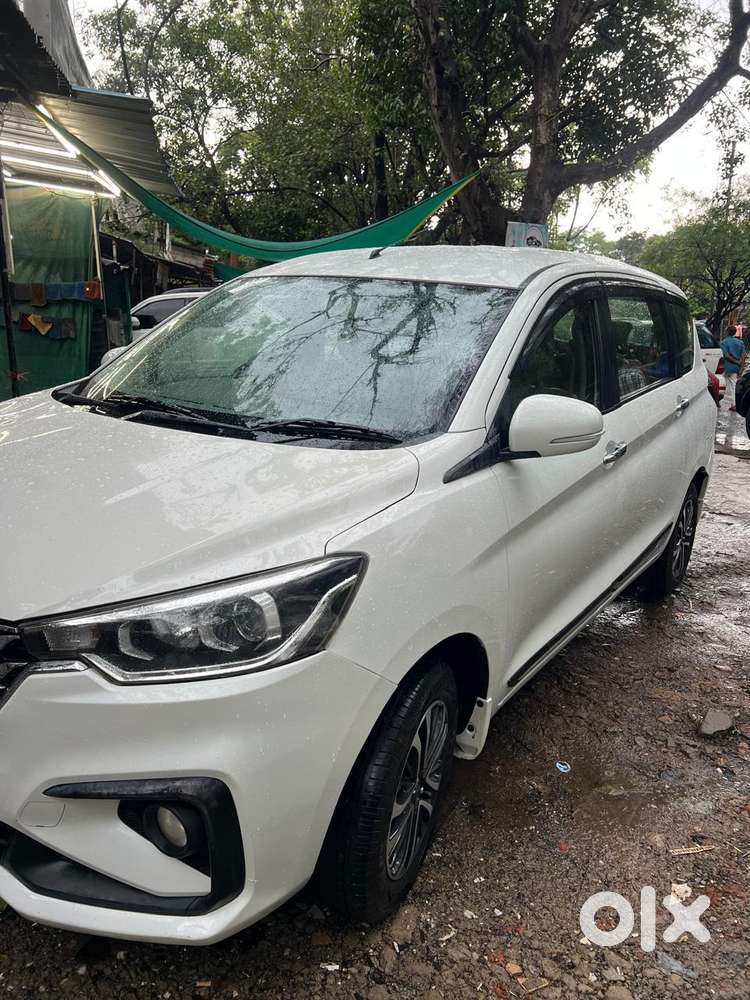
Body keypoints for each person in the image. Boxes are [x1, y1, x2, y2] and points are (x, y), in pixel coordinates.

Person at [720, 325, 746, 411]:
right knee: (731, 385)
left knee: (731, 386)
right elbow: (743, 356)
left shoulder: (724, 342)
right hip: (736, 368)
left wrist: (736, 362)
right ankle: (731, 403)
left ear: (727, 332)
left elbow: (726, 356)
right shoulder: (740, 343)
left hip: (728, 367)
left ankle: (735, 405)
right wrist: (741, 367)